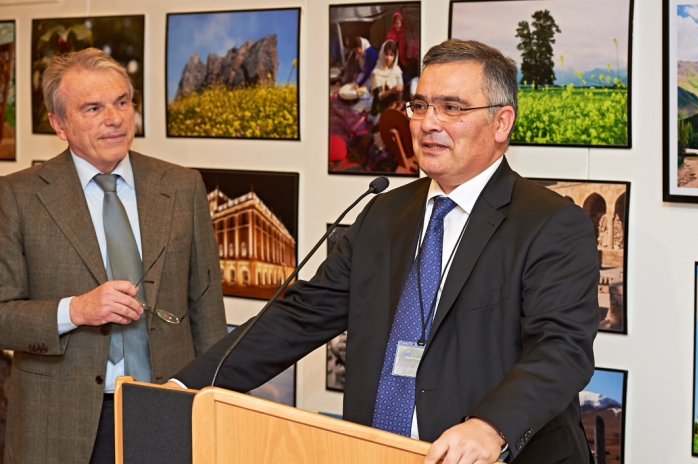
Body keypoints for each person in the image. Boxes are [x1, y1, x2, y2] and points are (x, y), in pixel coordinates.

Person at [173, 39, 599, 463]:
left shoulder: (551, 223)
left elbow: (562, 349)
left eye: (451, 108)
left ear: (501, 123)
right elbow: (300, 315)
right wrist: (182, 390)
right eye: (421, 106)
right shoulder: (383, 212)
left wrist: (491, 426)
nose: (428, 123)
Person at [0, 48, 227, 463]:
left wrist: (216, 403)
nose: (115, 118)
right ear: (59, 124)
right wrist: (76, 310)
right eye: (93, 108)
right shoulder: (16, 196)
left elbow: (207, 310)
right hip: (57, 422)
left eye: (122, 102)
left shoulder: (182, 187)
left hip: (167, 409)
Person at [370, 40, 404, 115]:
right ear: (382, 54)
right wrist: (391, 91)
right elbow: (379, 97)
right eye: (386, 54)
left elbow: (401, 88)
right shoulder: (377, 72)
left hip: (394, 106)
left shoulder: (397, 70)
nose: (388, 58)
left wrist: (400, 88)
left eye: (391, 55)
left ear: (395, 57)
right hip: (380, 107)